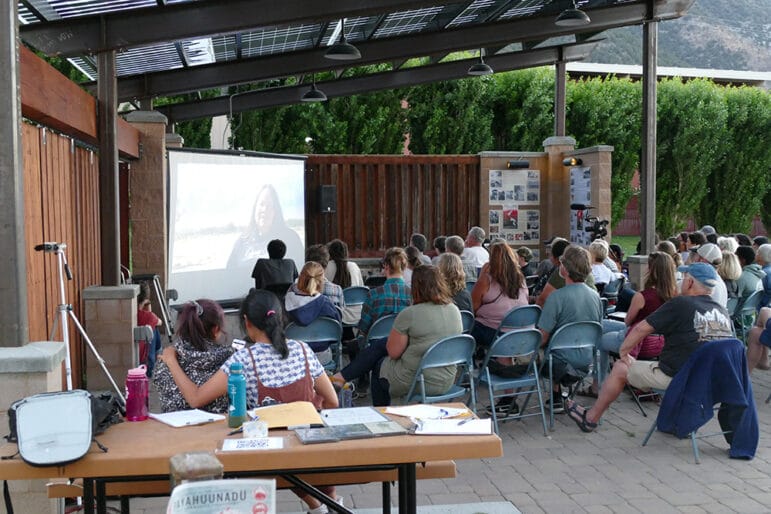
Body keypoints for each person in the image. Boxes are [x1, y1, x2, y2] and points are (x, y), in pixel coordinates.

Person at [158, 289, 339, 514]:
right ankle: (326, 505)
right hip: (309, 453)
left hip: (265, 458)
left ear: (246, 321)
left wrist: (171, 362)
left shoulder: (243, 359)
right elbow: (332, 401)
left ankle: (319, 507)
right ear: (279, 317)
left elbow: (196, 398)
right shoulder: (303, 350)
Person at [565, 262, 733, 433]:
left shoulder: (682, 303)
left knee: (620, 368)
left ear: (690, 282)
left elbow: (641, 328)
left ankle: (591, 418)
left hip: (681, 378)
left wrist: (624, 351)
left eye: (683, 278)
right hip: (711, 382)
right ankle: (677, 418)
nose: (680, 281)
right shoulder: (722, 311)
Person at [334, 266, 462, 406]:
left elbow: (394, 353)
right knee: (382, 344)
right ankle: (341, 377)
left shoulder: (410, 314)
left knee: (379, 365)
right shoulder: (454, 310)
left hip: (419, 379)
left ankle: (381, 411)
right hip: (447, 378)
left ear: (416, 287)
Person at [595, 252, 677, 391]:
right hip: (660, 342)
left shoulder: (642, 297)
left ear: (652, 270)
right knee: (601, 324)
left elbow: (628, 321)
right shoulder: (676, 295)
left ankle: (597, 384)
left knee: (600, 339)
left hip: (636, 340)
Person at [537, 246, 604, 409]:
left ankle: (555, 394)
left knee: (546, 349)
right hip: (586, 360)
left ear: (564, 269)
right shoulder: (596, 297)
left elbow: (542, 337)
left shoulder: (556, 298)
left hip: (558, 364)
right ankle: (557, 395)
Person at [153, 299, 233, 413]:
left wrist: (171, 361)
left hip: (173, 429)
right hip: (217, 429)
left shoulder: (165, 361)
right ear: (216, 329)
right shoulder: (229, 362)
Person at [227, 184, 303, 271]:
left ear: (276, 211)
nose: (264, 210)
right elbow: (228, 272)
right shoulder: (242, 241)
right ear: (255, 208)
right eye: (261, 204)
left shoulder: (291, 238)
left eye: (270, 206)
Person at [470, 242, 529, 348]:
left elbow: (472, 308)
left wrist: (483, 273)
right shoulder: (521, 279)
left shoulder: (486, 280)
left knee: (467, 326)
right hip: (522, 331)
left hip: (495, 332)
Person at [284, 262, 341, 326]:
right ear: (321, 281)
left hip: (293, 336)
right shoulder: (326, 304)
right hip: (322, 335)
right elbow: (337, 329)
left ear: (300, 278)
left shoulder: (284, 304)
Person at [136, 282, 162, 377]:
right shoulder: (148, 316)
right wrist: (149, 307)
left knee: (152, 326)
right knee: (154, 328)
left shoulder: (129, 314)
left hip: (128, 361)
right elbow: (160, 322)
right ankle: (157, 362)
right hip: (143, 366)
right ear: (146, 300)